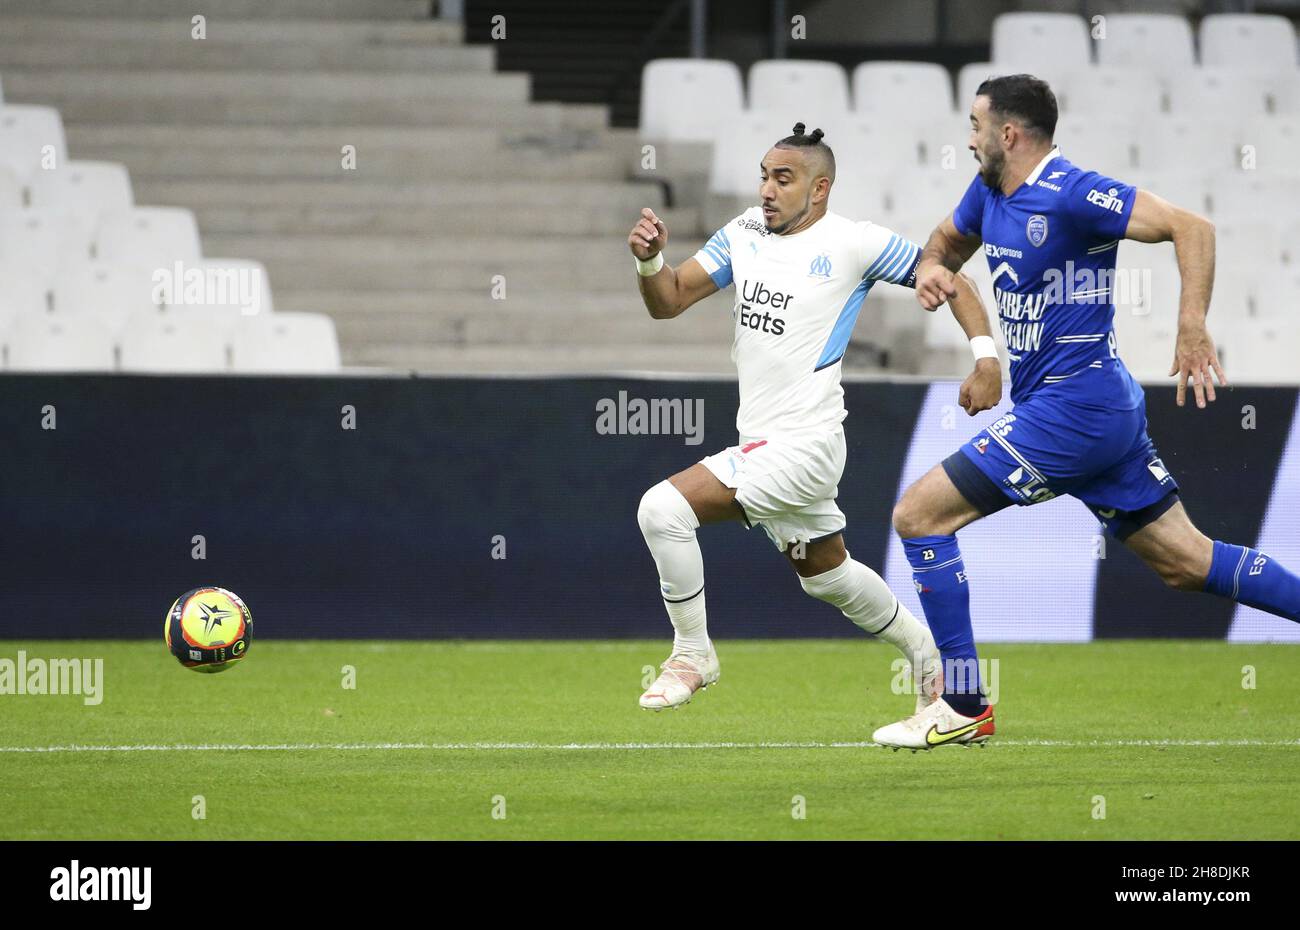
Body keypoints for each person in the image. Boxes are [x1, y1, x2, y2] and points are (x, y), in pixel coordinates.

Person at [874, 75, 1300, 751]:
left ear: (1007, 135)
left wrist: (1191, 325)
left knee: (918, 517)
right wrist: (952, 301)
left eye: (976, 124)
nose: (969, 136)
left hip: (1078, 407)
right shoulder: (987, 192)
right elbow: (944, 249)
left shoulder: (1074, 192)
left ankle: (961, 702)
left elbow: (1193, 228)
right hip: (1081, 412)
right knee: (1186, 562)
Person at [626, 122, 1002, 713]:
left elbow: (954, 280)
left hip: (805, 445)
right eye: (764, 176)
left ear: (819, 188)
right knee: (825, 575)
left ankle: (692, 654)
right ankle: (931, 662)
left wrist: (985, 360)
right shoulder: (744, 233)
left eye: (784, 178)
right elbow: (670, 300)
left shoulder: (855, 243)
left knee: (662, 508)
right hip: (764, 443)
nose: (767, 190)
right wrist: (650, 264)